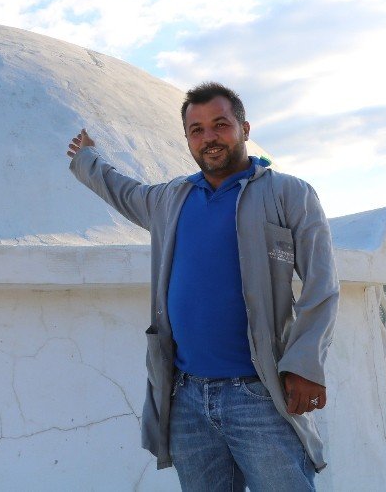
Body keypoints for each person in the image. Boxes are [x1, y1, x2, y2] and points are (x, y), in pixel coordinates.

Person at [66, 82, 338, 492]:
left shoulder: (288, 194)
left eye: (220, 124)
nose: (209, 137)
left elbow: (322, 285)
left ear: (244, 129)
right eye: (197, 130)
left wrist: (305, 364)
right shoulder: (172, 199)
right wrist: (88, 158)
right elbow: (123, 191)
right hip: (187, 398)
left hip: (259, 394)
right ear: (188, 139)